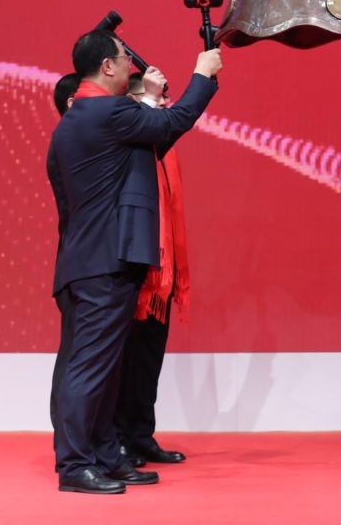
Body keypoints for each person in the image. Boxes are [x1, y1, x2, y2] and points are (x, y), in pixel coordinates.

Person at [50, 29, 221, 494]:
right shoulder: (107, 111)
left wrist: (148, 100)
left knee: (105, 370)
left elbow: (148, 150)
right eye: (125, 58)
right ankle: (75, 465)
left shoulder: (84, 117)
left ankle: (106, 456)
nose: (133, 65)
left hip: (92, 260)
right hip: (102, 264)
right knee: (91, 369)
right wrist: (203, 77)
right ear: (106, 67)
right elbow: (170, 124)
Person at [114, 75, 189, 465]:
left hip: (161, 275)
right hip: (131, 271)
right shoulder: (128, 143)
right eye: (153, 99)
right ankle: (117, 438)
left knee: (147, 362)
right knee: (123, 362)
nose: (163, 105)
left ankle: (140, 434)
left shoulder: (160, 147)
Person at [47, 72, 81, 459]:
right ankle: (69, 449)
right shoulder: (72, 142)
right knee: (75, 359)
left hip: (86, 265)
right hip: (80, 267)